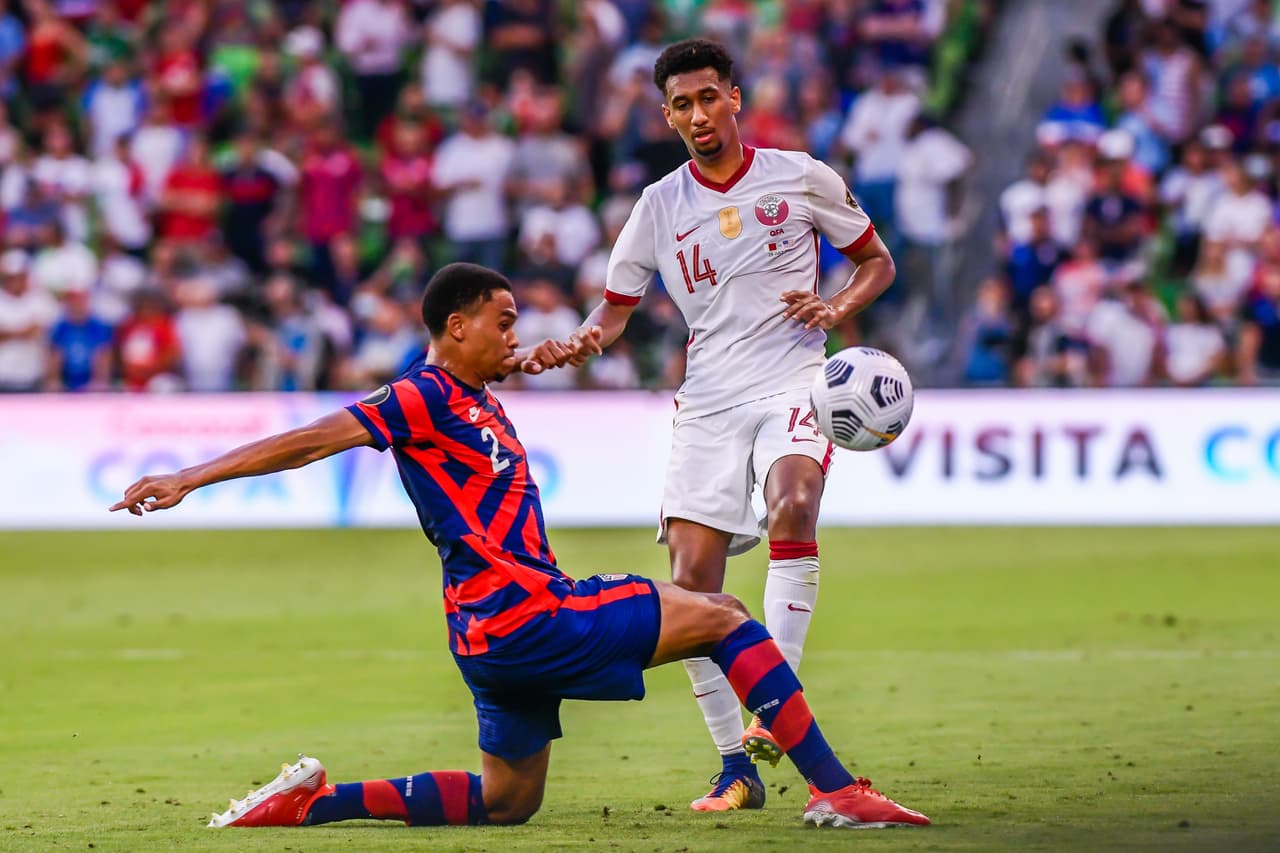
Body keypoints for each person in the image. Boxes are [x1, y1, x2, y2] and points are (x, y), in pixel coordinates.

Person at [108, 263, 929, 832]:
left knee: (507, 803)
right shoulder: (422, 395)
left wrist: (564, 347)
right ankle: (836, 789)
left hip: (487, 638)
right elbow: (313, 438)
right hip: (531, 613)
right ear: (455, 326)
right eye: (502, 324)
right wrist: (190, 476)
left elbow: (496, 387)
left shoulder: (473, 398)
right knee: (723, 615)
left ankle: (315, 802)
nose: (513, 338)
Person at [542, 39, 897, 812]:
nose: (698, 114)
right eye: (682, 104)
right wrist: (578, 339)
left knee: (794, 504)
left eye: (709, 97)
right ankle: (738, 766)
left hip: (794, 380)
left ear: (735, 97)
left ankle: (777, 703)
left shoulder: (800, 176)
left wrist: (836, 306)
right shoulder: (657, 205)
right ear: (667, 115)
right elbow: (615, 309)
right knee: (693, 588)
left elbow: (877, 261)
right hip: (707, 401)